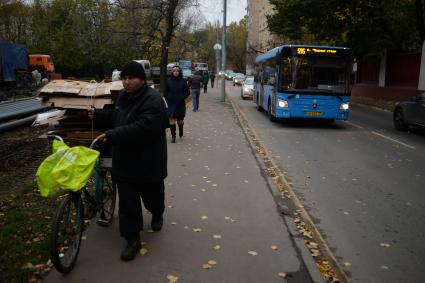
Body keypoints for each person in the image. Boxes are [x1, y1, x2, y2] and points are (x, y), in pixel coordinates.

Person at [89, 61, 168, 262]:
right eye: (124, 78)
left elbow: (142, 128)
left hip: (148, 160)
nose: (126, 82)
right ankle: (132, 240)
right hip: (125, 161)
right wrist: (96, 116)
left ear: (142, 80)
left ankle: (157, 213)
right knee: (128, 204)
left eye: (131, 78)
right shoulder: (124, 97)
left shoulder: (154, 101)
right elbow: (117, 116)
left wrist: (111, 135)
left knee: (153, 198)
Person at [164, 65, 189, 143]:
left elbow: (187, 92)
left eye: (177, 71)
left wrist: (182, 97)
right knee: (172, 120)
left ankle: (181, 129)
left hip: (180, 103)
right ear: (172, 72)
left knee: (180, 121)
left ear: (179, 72)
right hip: (171, 103)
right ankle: (173, 136)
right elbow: (165, 92)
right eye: (174, 71)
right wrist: (168, 98)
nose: (175, 72)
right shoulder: (168, 81)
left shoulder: (183, 81)